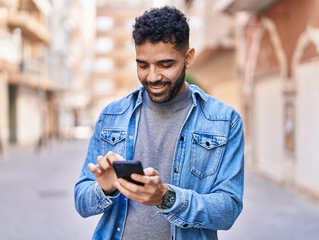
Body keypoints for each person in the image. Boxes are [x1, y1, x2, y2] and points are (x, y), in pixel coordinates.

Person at [74, 6, 244, 240]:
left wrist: (165, 197)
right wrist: (105, 188)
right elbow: (81, 202)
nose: (152, 77)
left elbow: (228, 210)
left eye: (165, 64)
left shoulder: (225, 121)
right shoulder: (111, 116)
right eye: (143, 65)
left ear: (188, 58)